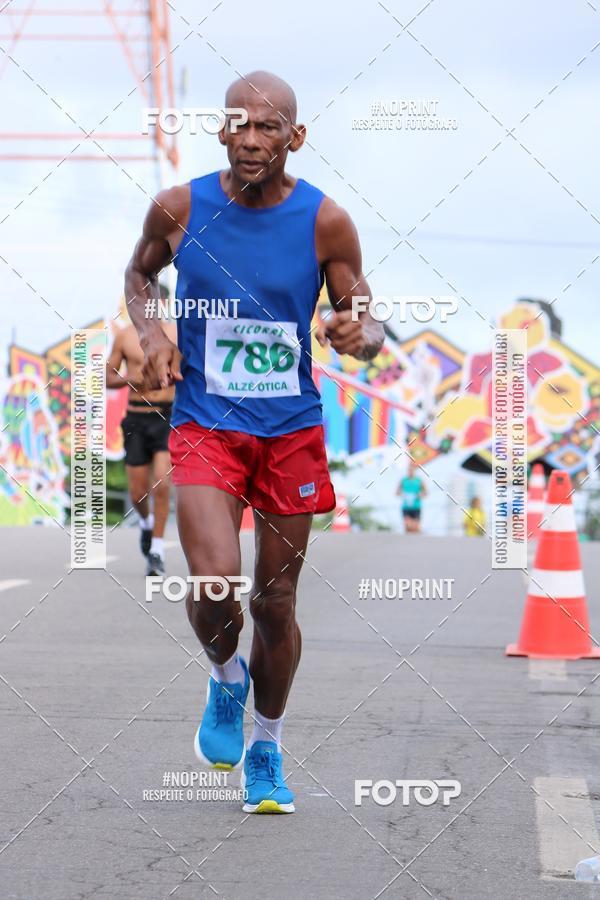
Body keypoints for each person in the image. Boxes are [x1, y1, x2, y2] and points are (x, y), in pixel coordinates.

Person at [124, 70, 384, 814]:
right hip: (208, 422)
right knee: (213, 582)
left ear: (294, 138)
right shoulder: (180, 208)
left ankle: (267, 744)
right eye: (238, 122)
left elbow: (363, 314)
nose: (250, 137)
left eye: (268, 127)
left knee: (275, 602)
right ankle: (225, 678)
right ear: (221, 130)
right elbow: (140, 276)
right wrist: (151, 328)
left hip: (290, 431)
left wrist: (357, 333)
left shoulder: (324, 221)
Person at [106, 312, 177, 576]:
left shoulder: (176, 334)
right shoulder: (125, 336)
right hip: (136, 417)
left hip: (166, 416)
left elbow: (192, 372)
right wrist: (132, 380)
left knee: (161, 481)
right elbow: (107, 377)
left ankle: (157, 550)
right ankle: (146, 524)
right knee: (137, 494)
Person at [397, 462, 426, 533]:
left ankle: (417, 541)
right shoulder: (403, 480)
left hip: (416, 506)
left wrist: (420, 495)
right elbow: (397, 492)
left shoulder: (419, 480)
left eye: (412, 470)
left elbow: (425, 492)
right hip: (406, 506)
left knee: (416, 528)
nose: (411, 472)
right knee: (408, 526)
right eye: (409, 470)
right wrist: (403, 494)